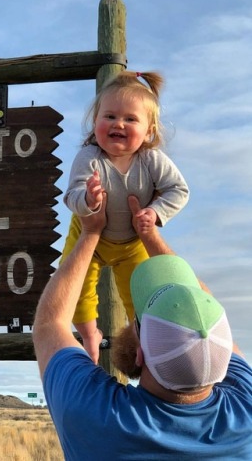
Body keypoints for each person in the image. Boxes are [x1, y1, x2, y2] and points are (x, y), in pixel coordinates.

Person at [32, 194, 252, 460]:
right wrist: (149, 235)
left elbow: (50, 324)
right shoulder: (246, 407)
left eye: (138, 320)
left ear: (139, 354)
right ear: (226, 356)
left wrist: (89, 233)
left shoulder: (97, 417)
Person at [62, 71, 190, 363]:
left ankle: (143, 339)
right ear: (95, 123)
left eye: (130, 119)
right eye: (109, 116)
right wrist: (89, 200)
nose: (118, 123)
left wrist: (155, 212)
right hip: (88, 236)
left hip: (132, 242)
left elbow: (178, 190)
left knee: (144, 296)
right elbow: (71, 196)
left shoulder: (151, 160)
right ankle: (89, 333)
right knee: (76, 287)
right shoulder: (89, 157)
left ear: (148, 132)